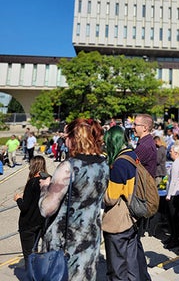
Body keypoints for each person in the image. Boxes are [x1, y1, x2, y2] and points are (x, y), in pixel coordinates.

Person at [39, 118, 108, 281]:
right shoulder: (104, 164)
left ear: (73, 138)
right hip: (90, 239)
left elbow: (46, 209)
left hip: (65, 242)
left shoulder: (68, 167)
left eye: (65, 137)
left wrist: (44, 187)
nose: (64, 140)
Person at [102, 125, 151, 281]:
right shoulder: (132, 155)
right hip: (133, 218)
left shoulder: (119, 164)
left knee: (117, 269)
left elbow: (111, 197)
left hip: (118, 222)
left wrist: (100, 189)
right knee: (132, 265)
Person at [14, 155, 48, 270]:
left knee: (28, 254)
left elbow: (24, 207)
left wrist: (18, 199)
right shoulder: (48, 179)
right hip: (41, 222)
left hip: (28, 223)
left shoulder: (32, 182)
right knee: (36, 252)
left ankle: (32, 276)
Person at [165, 143, 179, 249]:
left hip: (174, 193)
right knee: (172, 218)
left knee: (174, 218)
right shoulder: (177, 162)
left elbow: (173, 180)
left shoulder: (177, 164)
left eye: (171, 151)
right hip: (174, 192)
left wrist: (168, 195)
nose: (170, 153)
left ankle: (175, 238)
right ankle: (173, 236)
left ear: (176, 153)